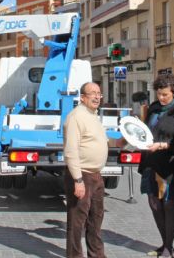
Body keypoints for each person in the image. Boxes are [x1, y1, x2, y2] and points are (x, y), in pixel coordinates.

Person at [138, 73, 174, 258]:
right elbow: (144, 131)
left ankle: (169, 247)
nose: (161, 98)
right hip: (150, 163)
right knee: (153, 204)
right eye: (159, 94)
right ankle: (164, 242)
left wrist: (161, 145)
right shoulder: (153, 108)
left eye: (165, 94)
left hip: (170, 166)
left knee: (169, 204)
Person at [63, 82, 108, 258]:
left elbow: (98, 141)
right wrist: (78, 180)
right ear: (82, 97)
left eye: (99, 93)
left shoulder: (93, 115)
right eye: (92, 94)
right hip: (82, 175)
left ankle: (96, 254)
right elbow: (71, 151)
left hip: (96, 175)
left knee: (96, 219)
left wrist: (119, 143)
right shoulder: (76, 117)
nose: (97, 97)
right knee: (77, 221)